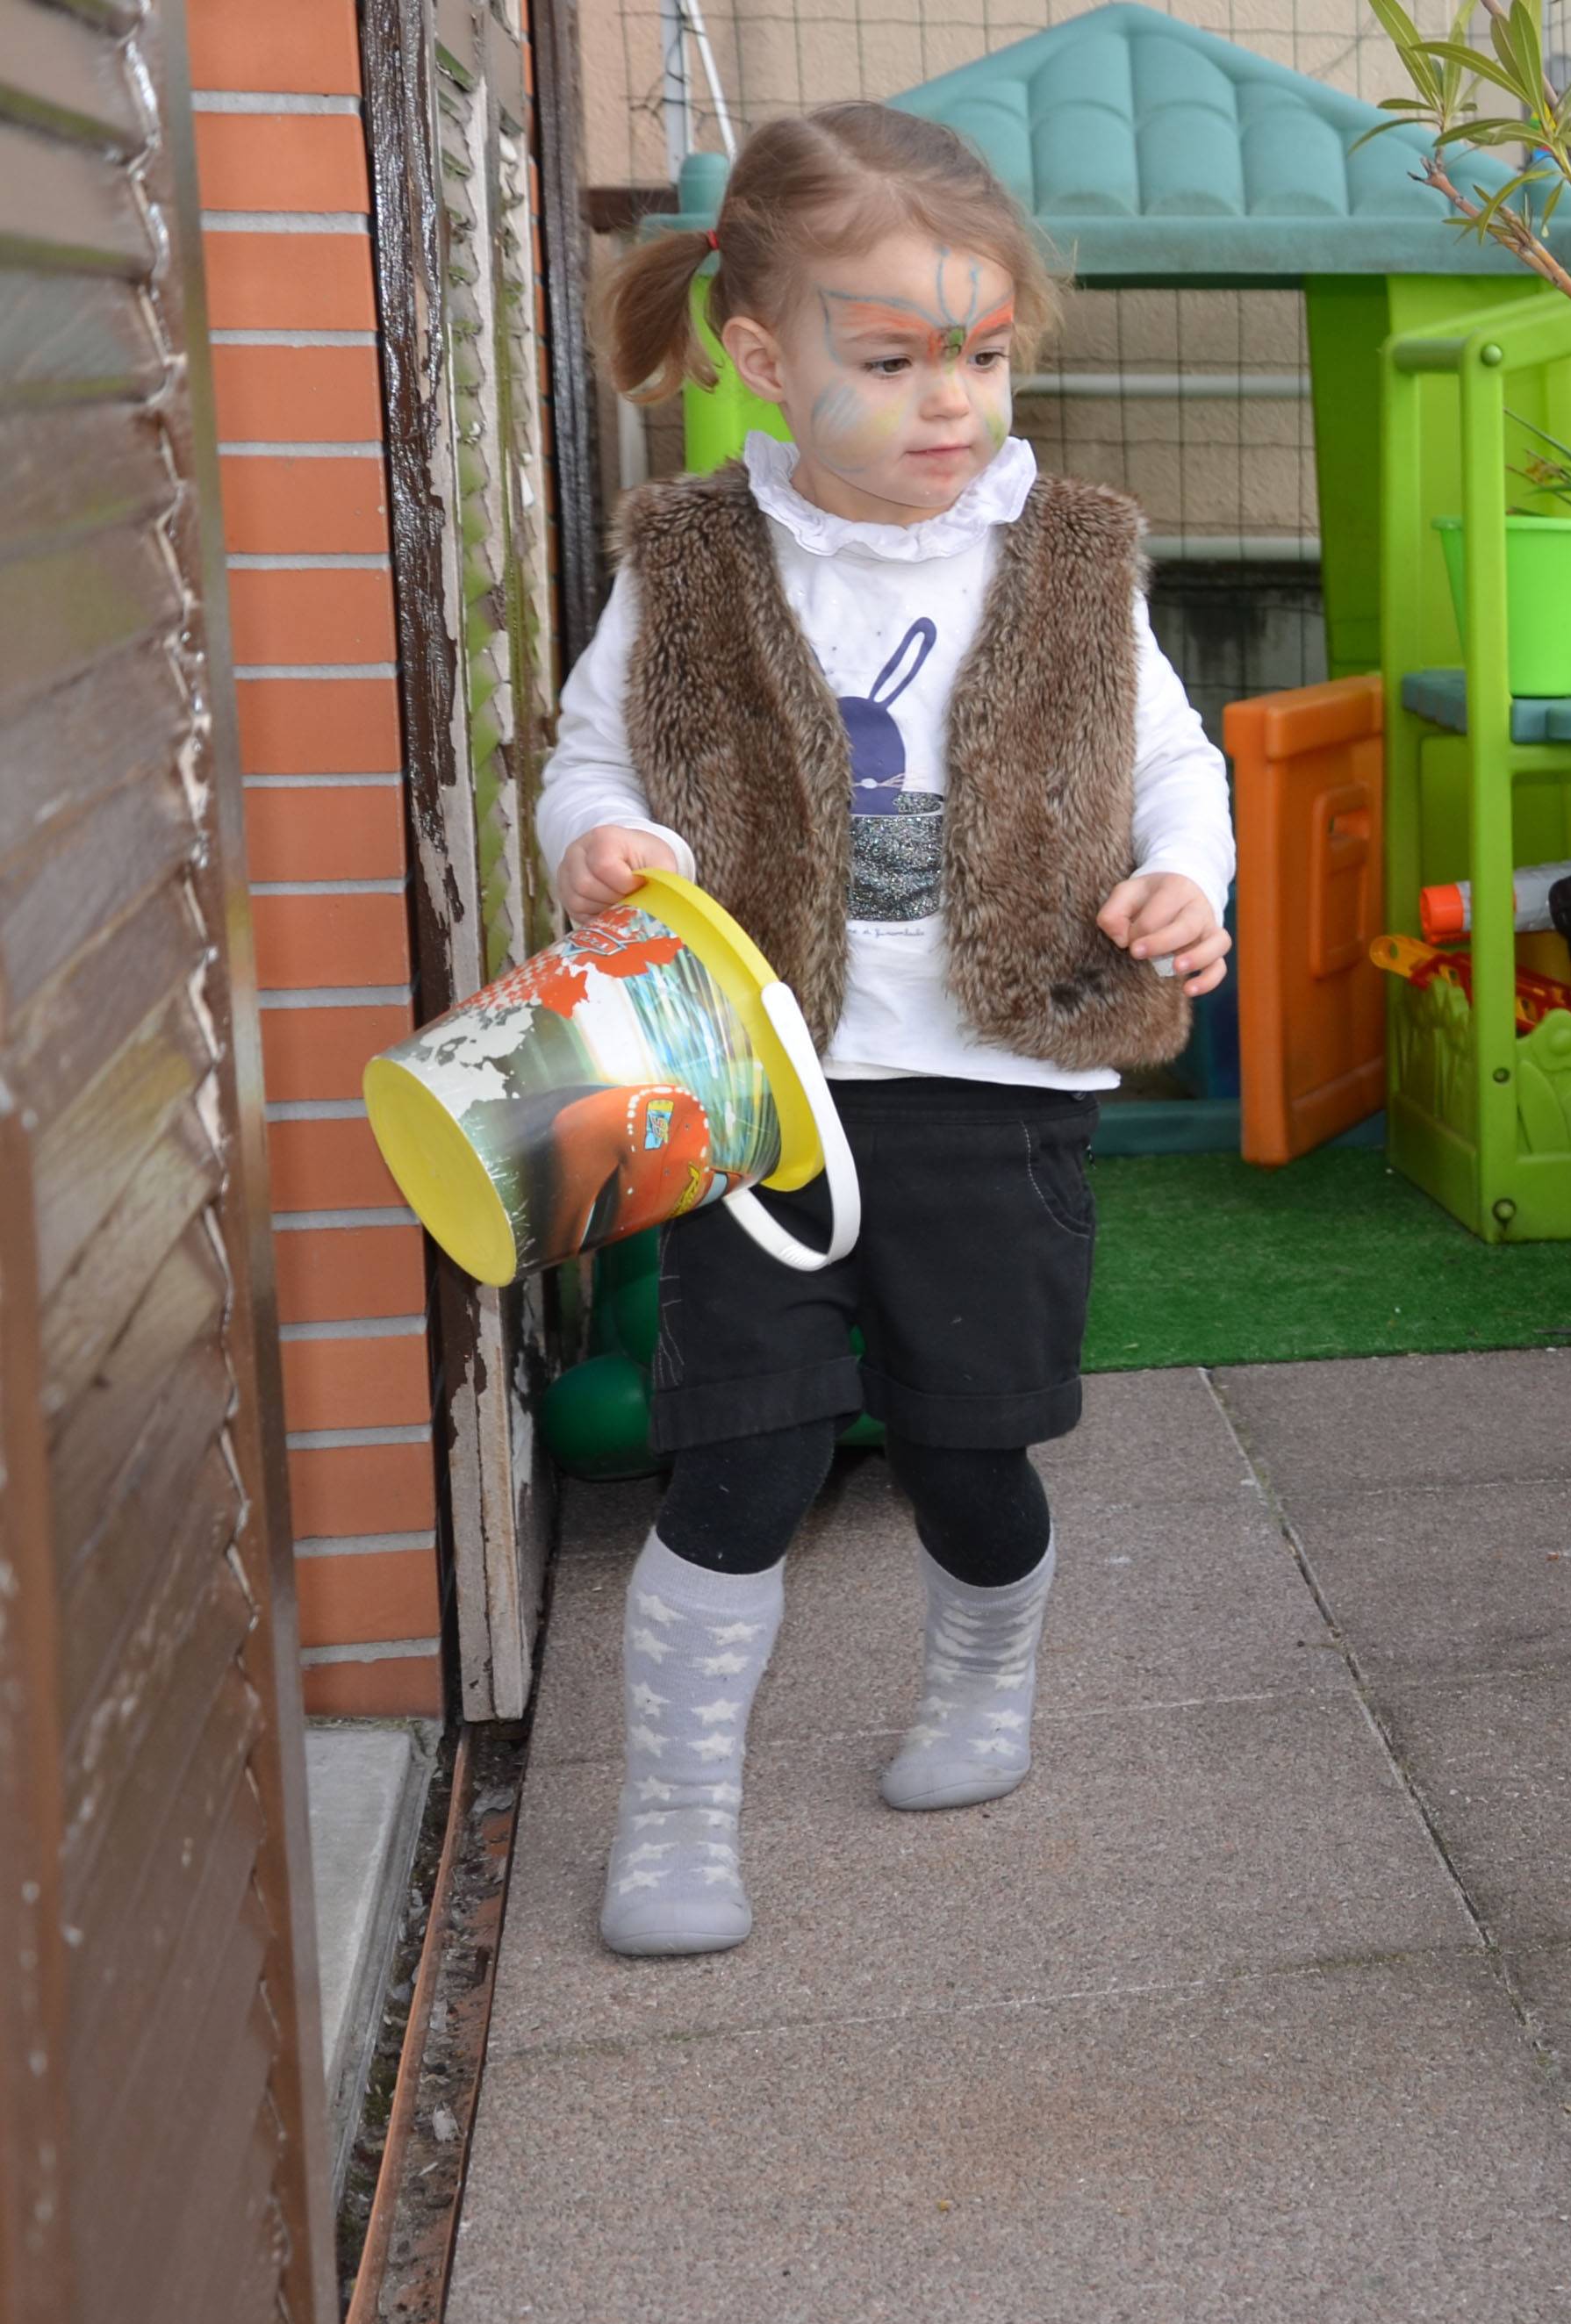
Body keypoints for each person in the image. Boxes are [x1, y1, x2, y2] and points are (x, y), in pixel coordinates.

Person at [538, 103, 1234, 1957]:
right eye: (898, 359)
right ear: (763, 361)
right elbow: (591, 757)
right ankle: (680, 1814)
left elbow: (1171, 759)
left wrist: (1188, 875)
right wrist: (596, 840)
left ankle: (983, 1678)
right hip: (757, 1092)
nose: (953, 403)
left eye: (986, 357)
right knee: (738, 1458)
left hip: (991, 1087)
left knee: (965, 1450)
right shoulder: (687, 560)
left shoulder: (1069, 555)